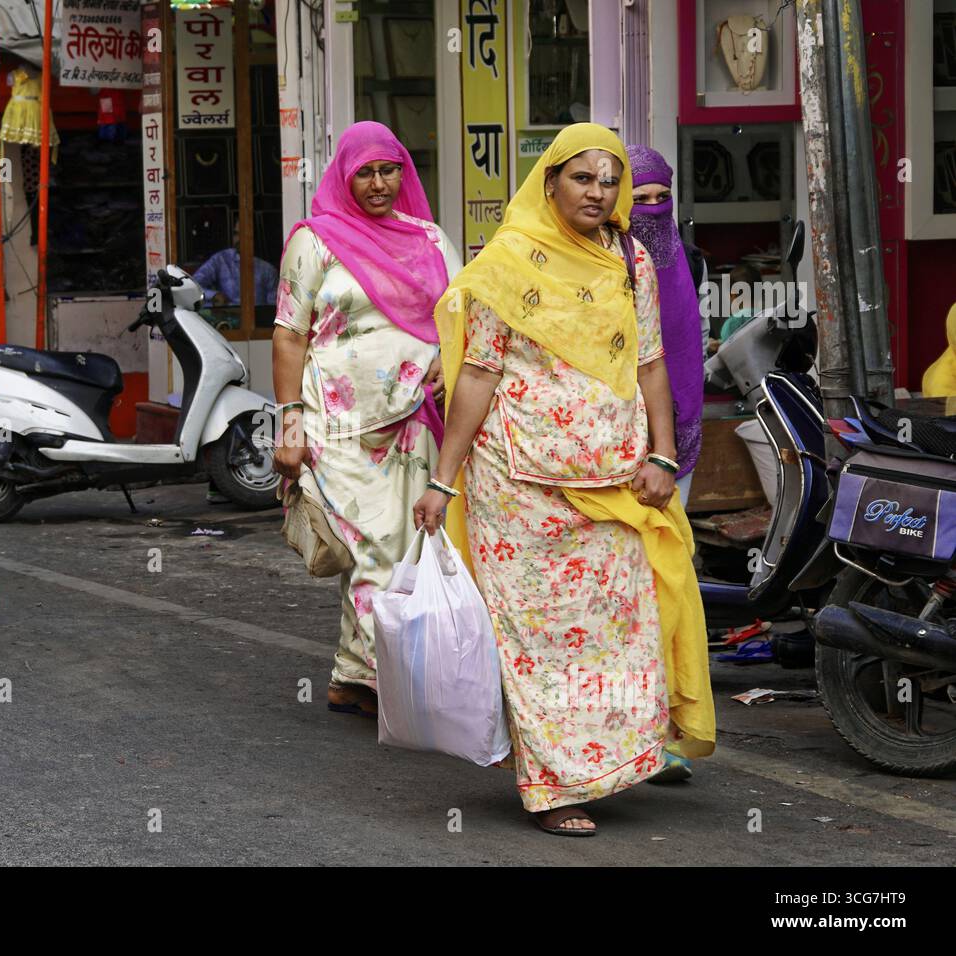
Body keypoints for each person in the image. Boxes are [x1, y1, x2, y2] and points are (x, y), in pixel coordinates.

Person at [413, 124, 715, 835]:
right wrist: (444, 480)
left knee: (617, 628)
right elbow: (479, 375)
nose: (598, 192)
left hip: (614, 479)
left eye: (608, 180)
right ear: (548, 182)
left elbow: (648, 363)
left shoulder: (629, 258)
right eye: (582, 178)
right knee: (536, 639)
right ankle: (549, 788)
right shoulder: (507, 263)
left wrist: (664, 457)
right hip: (518, 488)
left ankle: (607, 762)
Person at [272, 121, 461, 716]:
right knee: (371, 546)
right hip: (335, 422)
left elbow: (460, 316)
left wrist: (446, 361)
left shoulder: (429, 238)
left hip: (411, 419)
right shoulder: (315, 241)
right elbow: (288, 334)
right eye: (365, 173)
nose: (379, 184)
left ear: (405, 171)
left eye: (389, 170)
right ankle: (390, 680)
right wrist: (289, 426)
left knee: (403, 547)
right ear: (344, 176)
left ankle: (356, 675)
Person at [626, 145, 704, 508]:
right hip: (616, 425)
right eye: (641, 198)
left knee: (673, 543)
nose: (654, 207)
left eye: (663, 197)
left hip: (679, 418)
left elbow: (695, 335)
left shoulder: (690, 259)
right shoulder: (604, 261)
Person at [192, 217, 279, 307]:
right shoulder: (221, 260)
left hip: (258, 319)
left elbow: (273, 308)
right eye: (236, 234)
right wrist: (214, 295)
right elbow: (193, 285)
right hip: (227, 318)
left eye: (244, 234)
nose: (239, 239)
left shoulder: (268, 270)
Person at [716, 263, 762, 345]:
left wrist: (719, 346)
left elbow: (726, 353)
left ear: (732, 295)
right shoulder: (768, 319)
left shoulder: (732, 324)